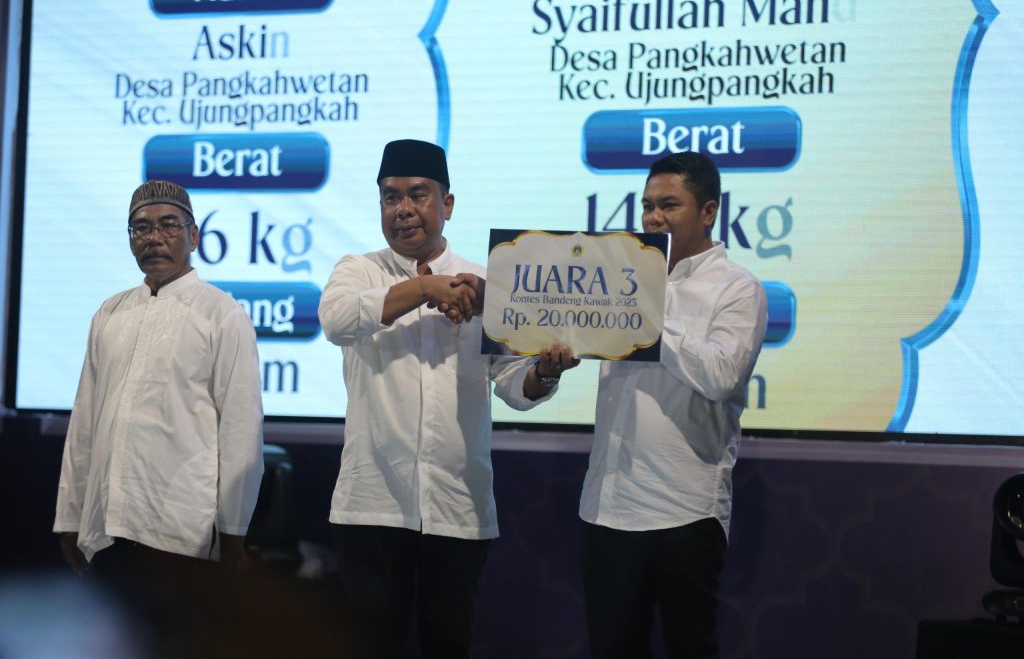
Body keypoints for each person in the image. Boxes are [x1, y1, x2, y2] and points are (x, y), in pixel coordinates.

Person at [318, 139, 576, 659]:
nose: (403, 209)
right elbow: (337, 320)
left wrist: (545, 372)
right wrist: (427, 289)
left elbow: (513, 383)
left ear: (448, 204)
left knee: (449, 645)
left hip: (456, 506)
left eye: (418, 194)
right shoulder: (359, 270)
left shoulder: (487, 285)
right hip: (373, 505)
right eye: (390, 197)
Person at [577, 152, 768, 658]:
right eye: (646, 206)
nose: (653, 217)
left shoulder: (737, 288)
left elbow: (722, 375)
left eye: (668, 205)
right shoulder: (621, 278)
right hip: (608, 505)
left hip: (684, 511)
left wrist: (645, 317)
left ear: (708, 211)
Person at [54, 180, 264, 582]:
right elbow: (84, 423)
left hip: (180, 527)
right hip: (105, 524)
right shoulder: (109, 313)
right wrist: (70, 515)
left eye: (168, 225)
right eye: (141, 228)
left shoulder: (222, 315)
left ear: (194, 236)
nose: (153, 238)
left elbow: (240, 430)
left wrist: (233, 532)